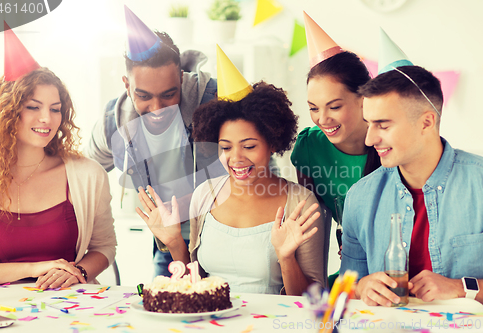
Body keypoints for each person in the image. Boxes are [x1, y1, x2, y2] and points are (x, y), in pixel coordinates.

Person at [135, 47, 328, 295]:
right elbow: (197, 287)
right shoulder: (204, 195)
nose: (235, 158)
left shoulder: (301, 202)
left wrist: (286, 258)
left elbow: (313, 300)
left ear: (272, 143)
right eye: (225, 147)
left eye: (248, 146)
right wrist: (175, 244)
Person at [85, 6, 218, 278]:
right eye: (144, 96)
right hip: (167, 243)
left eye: (169, 94)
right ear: (126, 84)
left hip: (225, 237)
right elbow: (80, 176)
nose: (157, 108)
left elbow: (263, 166)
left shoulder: (214, 101)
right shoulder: (114, 123)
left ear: (181, 77)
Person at [0, 28, 116, 290]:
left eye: (55, 109)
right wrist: (37, 268)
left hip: (72, 314)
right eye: (33, 107)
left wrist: (77, 271)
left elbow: (104, 247)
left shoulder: (88, 175)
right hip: (1, 314)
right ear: (8, 112)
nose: (47, 118)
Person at [340, 63, 483, 305]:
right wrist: (360, 287)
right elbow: (346, 287)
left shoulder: (478, 183)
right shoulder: (360, 197)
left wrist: (461, 287)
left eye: (383, 125)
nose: (370, 138)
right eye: (368, 124)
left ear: (426, 122)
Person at [290, 13, 380, 266]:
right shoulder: (309, 147)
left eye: (334, 106)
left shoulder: (389, 146)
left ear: (364, 98)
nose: (322, 118)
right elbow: (312, 223)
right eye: (313, 108)